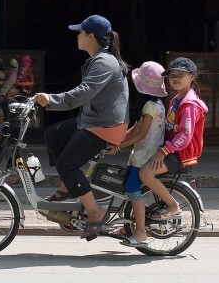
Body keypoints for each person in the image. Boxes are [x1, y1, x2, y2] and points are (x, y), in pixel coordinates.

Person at [34, 15, 129, 239]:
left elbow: (83, 93)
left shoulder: (104, 62)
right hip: (93, 120)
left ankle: (96, 212)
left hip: (105, 126)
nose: (77, 36)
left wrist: (52, 99)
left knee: (67, 164)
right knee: (53, 135)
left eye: (80, 32)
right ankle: (69, 186)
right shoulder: (99, 59)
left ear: (90, 36)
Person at [139, 57, 208, 220]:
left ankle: (173, 205)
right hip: (173, 150)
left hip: (180, 155)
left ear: (192, 77)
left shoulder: (189, 104)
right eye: (171, 76)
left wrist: (163, 151)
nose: (175, 78)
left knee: (145, 173)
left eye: (180, 75)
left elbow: (185, 134)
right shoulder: (177, 100)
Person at [107, 61, 167, 247]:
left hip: (145, 154)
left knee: (132, 189)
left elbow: (141, 134)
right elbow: (136, 128)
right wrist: (117, 141)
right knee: (128, 187)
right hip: (142, 152)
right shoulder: (156, 105)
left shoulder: (150, 106)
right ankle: (129, 225)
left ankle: (140, 232)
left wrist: (119, 146)